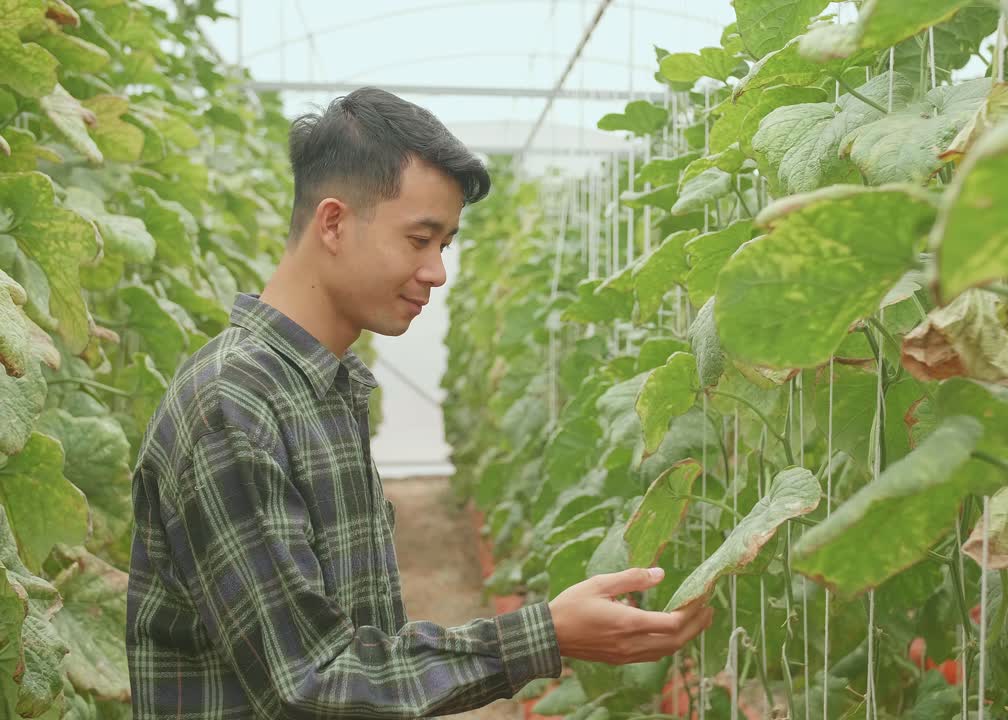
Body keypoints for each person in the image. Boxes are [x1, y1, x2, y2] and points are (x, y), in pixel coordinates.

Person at [125, 86, 714, 720]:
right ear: (332, 222)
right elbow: (309, 685)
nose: (437, 271)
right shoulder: (232, 404)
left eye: (446, 244)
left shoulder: (319, 386)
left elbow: (352, 647)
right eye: (419, 239)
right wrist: (546, 633)